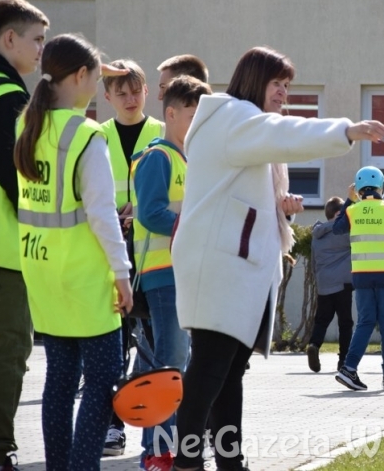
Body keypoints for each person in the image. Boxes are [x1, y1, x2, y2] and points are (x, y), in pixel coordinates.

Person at [170, 46, 384, 471]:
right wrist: (348, 130)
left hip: (230, 267)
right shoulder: (233, 117)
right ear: (254, 81)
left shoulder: (236, 120)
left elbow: (270, 143)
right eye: (278, 85)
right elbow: (285, 133)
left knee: (228, 371)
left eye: (287, 87)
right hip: (221, 269)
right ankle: (187, 463)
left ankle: (229, 464)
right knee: (211, 370)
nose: (284, 95)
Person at [14, 33, 134, 471]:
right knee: (101, 384)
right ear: (81, 77)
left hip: (41, 272)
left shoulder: (26, 124)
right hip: (84, 278)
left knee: (59, 383)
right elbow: (102, 214)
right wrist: (121, 274)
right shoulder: (86, 133)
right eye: (97, 76)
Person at [130, 75, 211, 471]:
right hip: (163, 275)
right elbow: (150, 213)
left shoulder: (188, 159)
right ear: (171, 113)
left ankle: (173, 448)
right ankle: (156, 452)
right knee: (170, 364)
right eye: (193, 116)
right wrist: (195, 225)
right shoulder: (157, 157)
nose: (198, 125)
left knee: (179, 363)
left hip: (186, 275)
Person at [99, 58, 163, 458]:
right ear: (106, 96)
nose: (128, 97)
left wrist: (140, 210)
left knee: (157, 346)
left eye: (135, 89)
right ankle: (111, 427)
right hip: (111, 251)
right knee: (111, 345)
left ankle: (157, 432)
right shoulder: (98, 135)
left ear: (146, 90)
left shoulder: (162, 131)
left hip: (153, 252)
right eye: (120, 91)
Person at [0, 0, 48, 471]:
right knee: (10, 348)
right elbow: (13, 172)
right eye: (36, 39)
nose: (41, 50)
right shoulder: (9, 95)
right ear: (8, 39)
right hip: (3, 251)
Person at [332, 166, 384, 392]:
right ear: (383, 187)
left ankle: (348, 368)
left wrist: (349, 202)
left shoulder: (352, 210)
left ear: (357, 190)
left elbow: (337, 230)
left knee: (365, 323)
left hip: (361, 276)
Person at [306, 196, 354, 373]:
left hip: (324, 283)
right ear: (339, 214)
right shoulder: (343, 232)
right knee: (345, 323)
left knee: (321, 320)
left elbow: (313, 261)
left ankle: (314, 344)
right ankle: (343, 361)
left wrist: (317, 279)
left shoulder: (317, 234)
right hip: (343, 283)